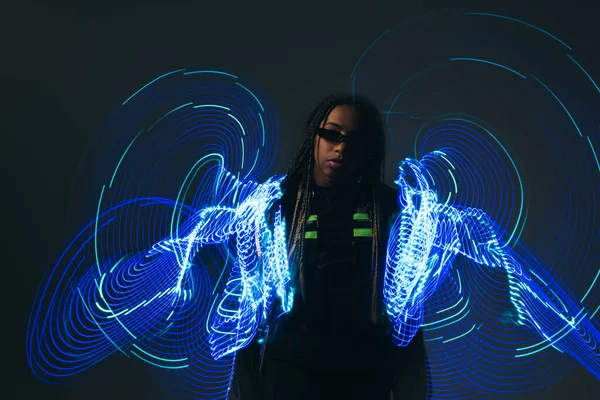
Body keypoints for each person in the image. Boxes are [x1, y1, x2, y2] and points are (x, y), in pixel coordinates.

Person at [228, 93, 429, 400]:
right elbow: (251, 305)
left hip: (364, 375)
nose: (341, 147)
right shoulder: (276, 205)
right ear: (315, 136)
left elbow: (407, 316)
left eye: (354, 140)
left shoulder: (390, 210)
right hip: (289, 375)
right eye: (332, 134)